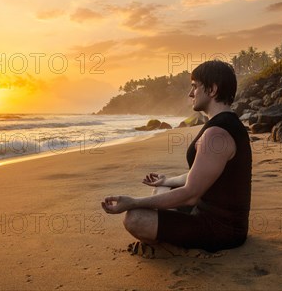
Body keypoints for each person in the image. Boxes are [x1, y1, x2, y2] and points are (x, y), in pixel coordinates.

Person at [101, 60, 252, 254]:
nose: (191, 94)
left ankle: (171, 248)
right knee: (163, 186)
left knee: (135, 218)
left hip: (221, 229)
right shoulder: (222, 125)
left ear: (212, 89)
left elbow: (190, 194)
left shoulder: (217, 135)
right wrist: (167, 180)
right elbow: (197, 175)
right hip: (203, 210)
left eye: (195, 87)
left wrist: (133, 202)